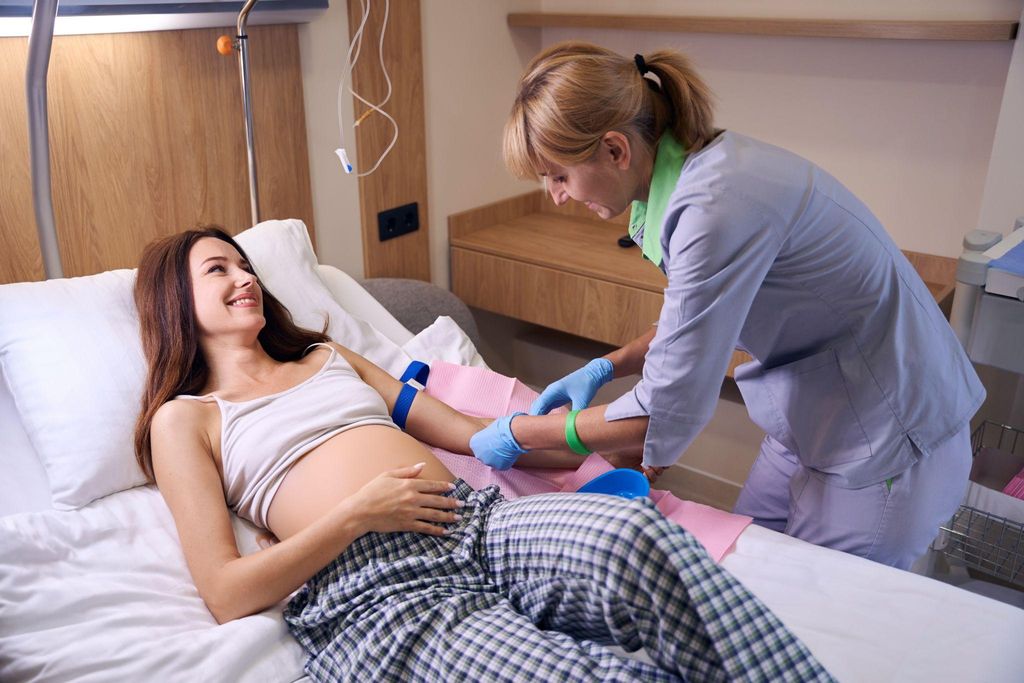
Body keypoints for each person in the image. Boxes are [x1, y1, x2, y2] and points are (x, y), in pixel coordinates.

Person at [132, 227, 830, 682]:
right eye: (218, 269)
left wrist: (592, 424)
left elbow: (471, 434)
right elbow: (225, 591)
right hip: (381, 585)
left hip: (478, 524)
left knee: (635, 536)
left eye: (245, 264)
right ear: (174, 301)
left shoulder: (325, 354)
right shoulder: (185, 419)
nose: (244, 277)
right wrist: (358, 514)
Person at [469, 41, 985, 570]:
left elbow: (663, 410)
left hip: (887, 436)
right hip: (817, 410)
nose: (555, 195)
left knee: (813, 615)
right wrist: (609, 365)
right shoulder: (689, 180)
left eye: (559, 175)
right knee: (745, 566)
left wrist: (524, 433)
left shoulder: (714, 204)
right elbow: (695, 325)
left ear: (615, 150)